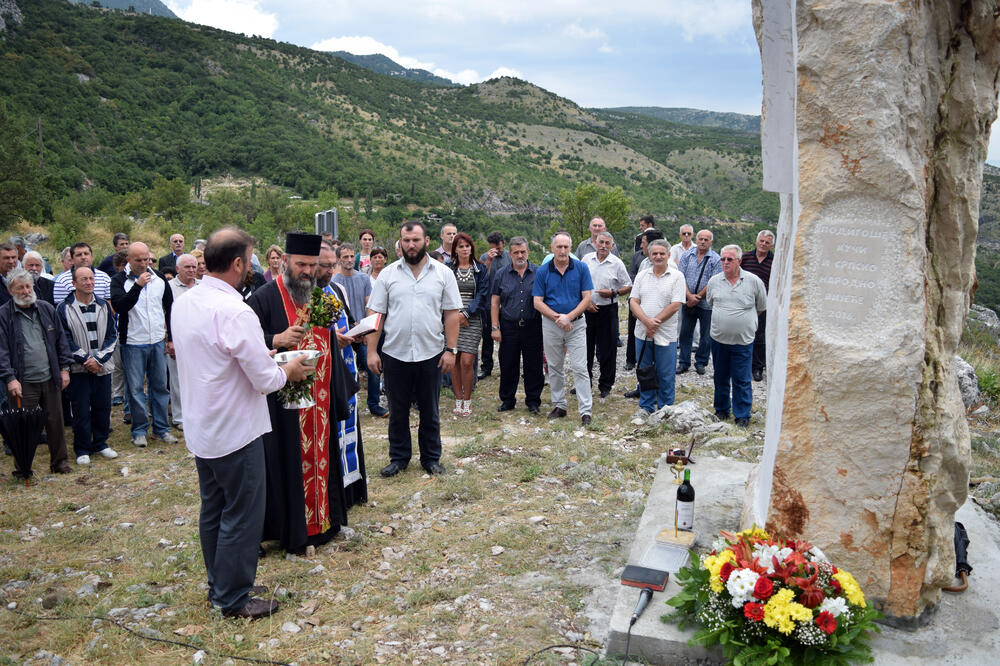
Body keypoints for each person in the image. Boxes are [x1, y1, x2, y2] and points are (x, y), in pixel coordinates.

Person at [173, 227, 311, 619]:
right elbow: (265, 380)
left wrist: (266, 353)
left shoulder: (187, 301)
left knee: (214, 509)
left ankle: (221, 583)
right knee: (242, 513)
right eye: (249, 259)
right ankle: (233, 598)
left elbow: (220, 355)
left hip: (203, 425)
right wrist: (290, 371)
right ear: (237, 263)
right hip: (235, 428)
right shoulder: (236, 310)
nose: (251, 266)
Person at [247, 232, 362, 554]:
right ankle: (293, 530)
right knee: (287, 463)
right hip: (282, 406)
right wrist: (275, 339)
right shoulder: (263, 298)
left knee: (323, 458)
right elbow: (244, 345)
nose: (307, 272)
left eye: (312, 265)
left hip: (320, 402)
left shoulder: (321, 297)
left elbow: (327, 340)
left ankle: (325, 522)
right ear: (285, 262)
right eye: (301, 264)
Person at [366, 221, 461, 478]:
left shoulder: (443, 273)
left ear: (426, 241)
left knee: (430, 410)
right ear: (400, 243)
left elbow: (452, 314)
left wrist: (451, 350)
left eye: (416, 240)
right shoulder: (388, 275)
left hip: (431, 353)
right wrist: (372, 351)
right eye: (406, 241)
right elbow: (376, 314)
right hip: (395, 354)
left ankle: (431, 458)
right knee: (397, 411)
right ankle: (399, 458)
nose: (411, 245)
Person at [0, 268, 73, 474]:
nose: (25, 291)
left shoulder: (46, 309)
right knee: (23, 426)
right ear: (10, 291)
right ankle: (23, 467)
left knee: (56, 423)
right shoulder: (3, 315)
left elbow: (61, 341)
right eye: (20, 288)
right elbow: (2, 350)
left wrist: (64, 369)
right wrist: (10, 378)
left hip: (50, 377)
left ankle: (59, 462)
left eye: (28, 286)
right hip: (22, 382)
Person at [110, 242, 177, 448]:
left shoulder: (159, 278)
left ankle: (161, 429)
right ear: (128, 260)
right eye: (138, 260)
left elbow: (169, 308)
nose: (143, 264)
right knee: (136, 389)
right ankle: (139, 430)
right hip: (132, 342)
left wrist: (171, 338)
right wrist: (137, 286)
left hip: (156, 340)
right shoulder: (119, 280)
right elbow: (120, 306)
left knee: (159, 387)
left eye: (146, 259)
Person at [57, 266, 119, 465]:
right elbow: (64, 339)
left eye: (91, 278)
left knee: (103, 407)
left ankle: (100, 443)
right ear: (74, 283)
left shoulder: (103, 305)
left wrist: (99, 360)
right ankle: (82, 448)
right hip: (79, 369)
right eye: (84, 279)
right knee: (81, 410)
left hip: (102, 367)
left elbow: (112, 335)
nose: (89, 282)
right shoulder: (64, 308)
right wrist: (85, 359)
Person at [533, 232, 594, 426]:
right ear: (552, 248)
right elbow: (537, 301)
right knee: (554, 366)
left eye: (566, 247)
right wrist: (558, 318)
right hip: (551, 325)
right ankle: (559, 405)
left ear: (570, 248)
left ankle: (586, 411)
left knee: (580, 367)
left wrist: (569, 317)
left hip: (576, 324)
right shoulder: (543, 271)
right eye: (559, 247)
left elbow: (587, 298)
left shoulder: (581, 268)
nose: (562, 250)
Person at [705, 245, 767, 428]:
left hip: (743, 341)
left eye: (729, 259)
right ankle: (721, 410)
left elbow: (761, 306)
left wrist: (743, 321)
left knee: (741, 379)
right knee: (720, 377)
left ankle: (742, 415)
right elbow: (710, 302)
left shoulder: (754, 281)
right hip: (719, 339)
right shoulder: (714, 281)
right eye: (723, 259)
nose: (725, 262)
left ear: (739, 261)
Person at [629, 240, 686, 418]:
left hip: (666, 334)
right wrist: (647, 322)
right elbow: (633, 301)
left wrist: (654, 323)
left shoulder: (677, 277)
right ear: (649, 255)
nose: (658, 257)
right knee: (645, 371)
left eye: (662, 253)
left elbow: (676, 304)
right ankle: (646, 406)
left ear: (668, 255)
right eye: (655, 253)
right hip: (643, 333)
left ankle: (665, 408)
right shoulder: (642, 276)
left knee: (665, 373)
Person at [490, 237, 543, 414]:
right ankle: (508, 400)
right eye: (516, 252)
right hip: (508, 326)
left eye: (523, 252)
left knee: (533, 365)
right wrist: (495, 327)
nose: (520, 255)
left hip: (533, 325)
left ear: (528, 252)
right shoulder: (501, 274)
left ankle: (533, 401)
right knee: (508, 364)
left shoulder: (539, 272)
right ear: (510, 254)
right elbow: (495, 302)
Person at [333, 242, 386, 417]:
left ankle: (374, 404)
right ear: (338, 259)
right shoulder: (334, 282)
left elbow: (369, 305)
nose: (349, 260)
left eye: (351, 256)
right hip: (342, 334)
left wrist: (367, 329)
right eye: (345, 257)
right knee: (343, 371)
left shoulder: (363, 279)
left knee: (373, 366)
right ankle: (344, 407)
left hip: (362, 333)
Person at [582, 232, 632, 398]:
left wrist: (613, 292)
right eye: (601, 242)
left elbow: (628, 285)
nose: (603, 246)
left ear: (612, 245)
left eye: (607, 243)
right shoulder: (586, 259)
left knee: (608, 350)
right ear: (595, 243)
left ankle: (605, 385)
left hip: (608, 310)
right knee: (585, 348)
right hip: (587, 309)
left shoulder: (617, 263)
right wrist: (585, 302)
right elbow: (578, 282)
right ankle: (584, 383)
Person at [449, 232, 488, 416]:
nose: (465, 249)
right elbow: (444, 292)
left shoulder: (481, 269)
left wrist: (466, 313)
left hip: (473, 318)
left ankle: (467, 400)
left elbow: (482, 294)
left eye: (467, 246)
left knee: (467, 360)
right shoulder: (448, 268)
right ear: (455, 250)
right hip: (451, 317)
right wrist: (455, 315)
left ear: (471, 248)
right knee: (454, 359)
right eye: (461, 246)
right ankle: (458, 399)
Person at [677, 230, 721, 375]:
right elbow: (680, 277)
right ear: (696, 240)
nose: (703, 242)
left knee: (706, 336)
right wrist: (689, 296)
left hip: (706, 304)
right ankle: (683, 362)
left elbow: (713, 281)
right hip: (688, 302)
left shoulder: (716, 259)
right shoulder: (687, 255)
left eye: (706, 240)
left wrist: (697, 297)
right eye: (701, 239)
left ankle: (701, 362)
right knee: (685, 333)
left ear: (711, 242)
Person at [166, 254, 199, 430]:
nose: (191, 270)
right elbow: (165, 314)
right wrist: (169, 340)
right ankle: (180, 417)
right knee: (178, 380)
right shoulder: (169, 288)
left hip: (200, 340)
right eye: (187, 267)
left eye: (194, 267)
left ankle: (199, 413)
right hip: (178, 339)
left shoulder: (202, 286)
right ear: (177, 268)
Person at [625, 229, 665, 375]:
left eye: (643, 243)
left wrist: (651, 321)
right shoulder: (643, 262)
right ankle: (641, 378)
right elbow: (636, 284)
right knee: (638, 341)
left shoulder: (670, 268)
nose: (641, 246)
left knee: (658, 353)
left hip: (658, 317)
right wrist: (636, 307)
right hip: (639, 310)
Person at [741, 230, 775, 382]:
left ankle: (758, 368)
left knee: (760, 336)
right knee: (742, 333)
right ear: (757, 241)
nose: (763, 244)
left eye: (767, 242)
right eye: (761, 241)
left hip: (764, 304)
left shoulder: (775, 261)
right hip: (744, 302)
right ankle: (743, 364)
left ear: (771, 245)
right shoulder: (746, 257)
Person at [477, 231, 510, 380]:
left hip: (506, 303)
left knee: (507, 337)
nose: (496, 250)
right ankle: (486, 367)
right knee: (487, 337)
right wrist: (489, 261)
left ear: (504, 243)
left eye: (499, 247)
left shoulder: (510, 256)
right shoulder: (485, 257)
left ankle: (506, 367)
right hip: (488, 303)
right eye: (493, 247)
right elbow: (481, 278)